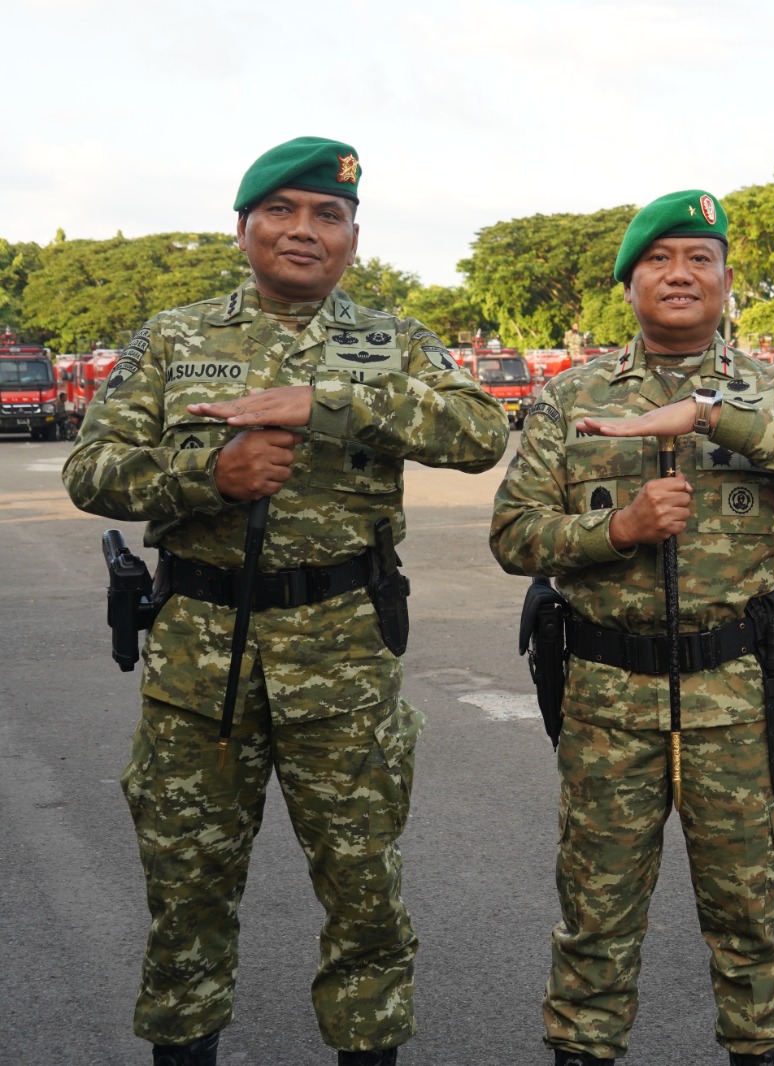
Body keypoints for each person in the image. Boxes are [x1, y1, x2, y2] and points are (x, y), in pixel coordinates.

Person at [62, 137, 509, 1066]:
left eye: (327, 215)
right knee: (185, 898)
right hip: (198, 662)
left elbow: (478, 433)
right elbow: (90, 469)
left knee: (365, 901)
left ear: (352, 238)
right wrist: (205, 476)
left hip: (344, 662)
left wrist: (331, 403)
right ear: (244, 226)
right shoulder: (173, 337)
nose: (304, 230)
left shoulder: (394, 340)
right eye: (282, 210)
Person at [489, 189, 774, 1066]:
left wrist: (710, 413)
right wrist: (615, 531)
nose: (681, 274)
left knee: (752, 916)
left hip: (732, 696)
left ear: (728, 280)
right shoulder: (568, 398)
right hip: (606, 698)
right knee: (596, 916)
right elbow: (513, 534)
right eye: (659, 259)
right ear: (629, 284)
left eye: (701, 258)